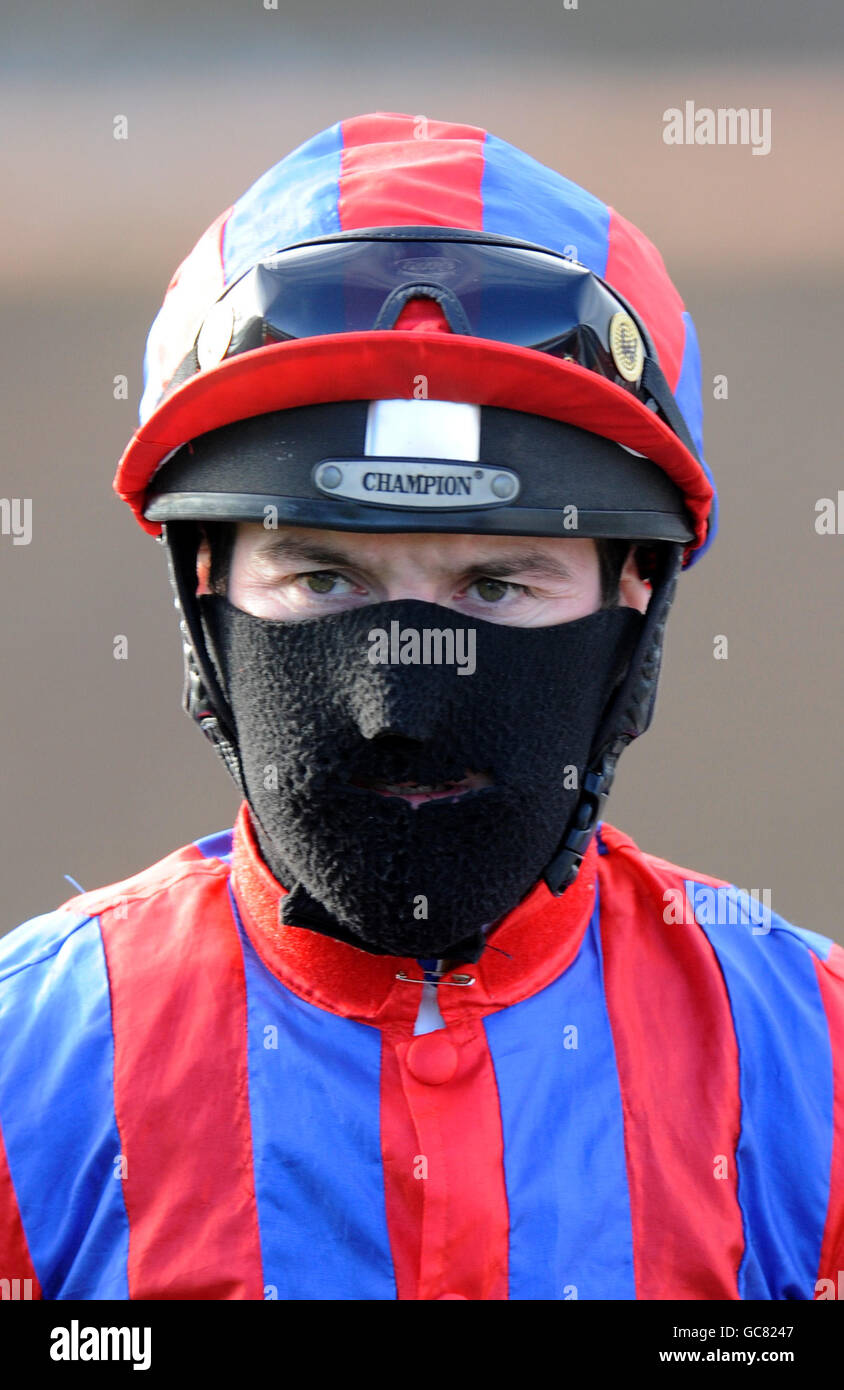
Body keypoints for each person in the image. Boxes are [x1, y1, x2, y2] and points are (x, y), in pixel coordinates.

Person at [1, 111, 842, 1302]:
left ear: (634, 599)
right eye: (324, 576)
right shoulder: (20, 1087)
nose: (399, 697)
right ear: (204, 590)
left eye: (495, 583)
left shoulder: (819, 1080)